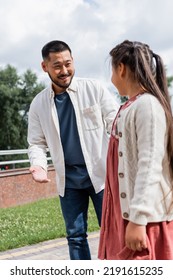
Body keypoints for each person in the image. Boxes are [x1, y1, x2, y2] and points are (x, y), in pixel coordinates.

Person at [27, 40, 119, 260]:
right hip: (68, 182)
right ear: (45, 67)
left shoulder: (93, 89)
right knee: (75, 236)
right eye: (57, 66)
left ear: (73, 61)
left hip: (101, 176)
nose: (64, 70)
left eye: (68, 63)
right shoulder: (38, 104)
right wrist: (38, 165)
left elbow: (116, 122)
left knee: (114, 232)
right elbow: (36, 143)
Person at [98, 40, 173, 260]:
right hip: (126, 218)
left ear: (120, 68)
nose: (112, 79)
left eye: (112, 71)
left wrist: (139, 218)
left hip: (145, 222)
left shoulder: (147, 105)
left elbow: (150, 165)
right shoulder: (129, 107)